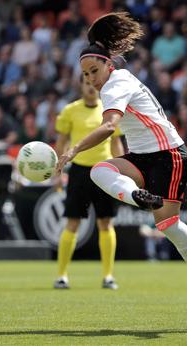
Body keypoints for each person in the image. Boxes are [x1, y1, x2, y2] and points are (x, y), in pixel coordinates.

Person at [56, 12, 187, 315]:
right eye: (85, 75)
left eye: (93, 71)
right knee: (100, 171)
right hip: (142, 157)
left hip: (169, 155)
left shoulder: (117, 83)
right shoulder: (114, 82)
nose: (90, 79)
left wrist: (73, 149)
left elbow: (109, 127)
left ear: (108, 64)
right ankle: (139, 197)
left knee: (168, 226)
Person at [53, 76, 124, 290]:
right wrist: (57, 173)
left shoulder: (109, 111)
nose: (91, 87)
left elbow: (116, 143)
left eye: (94, 83)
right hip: (79, 171)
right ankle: (62, 275)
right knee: (72, 223)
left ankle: (108, 276)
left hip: (105, 171)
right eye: (86, 83)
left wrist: (122, 171)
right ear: (81, 86)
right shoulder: (70, 111)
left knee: (105, 223)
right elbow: (61, 143)